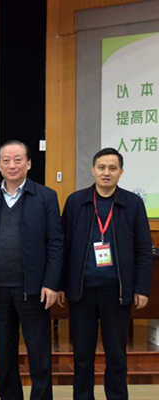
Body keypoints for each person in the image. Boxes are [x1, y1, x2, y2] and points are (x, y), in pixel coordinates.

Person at [60, 147, 152, 400]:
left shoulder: (133, 203)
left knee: (117, 355)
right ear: (93, 170)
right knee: (82, 355)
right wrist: (60, 285)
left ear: (121, 172)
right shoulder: (76, 202)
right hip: (82, 291)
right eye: (101, 167)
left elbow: (143, 249)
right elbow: (62, 246)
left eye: (112, 168)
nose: (106, 173)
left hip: (117, 292)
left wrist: (142, 288)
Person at [0, 140, 63, 400]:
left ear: (29, 163)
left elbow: (56, 243)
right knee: (5, 353)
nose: (12, 165)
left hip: (34, 290)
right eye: (6, 160)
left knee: (39, 353)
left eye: (17, 160)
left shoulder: (46, 196)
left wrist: (51, 283)